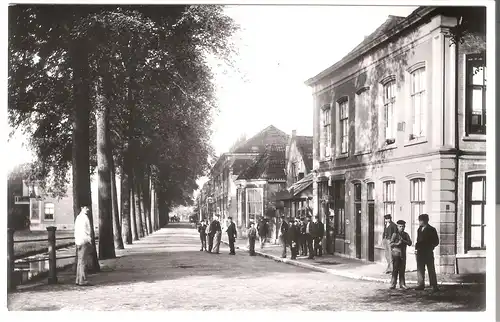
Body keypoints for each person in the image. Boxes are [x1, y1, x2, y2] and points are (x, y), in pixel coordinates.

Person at [415, 213, 440, 292]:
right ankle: (421, 284)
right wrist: (416, 248)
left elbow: (436, 241)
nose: (419, 222)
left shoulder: (432, 229)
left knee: (431, 269)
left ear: (425, 221)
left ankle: (434, 286)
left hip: (428, 252)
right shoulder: (419, 229)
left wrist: (431, 247)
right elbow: (418, 240)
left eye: (420, 221)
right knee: (420, 269)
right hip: (420, 252)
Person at [389, 220, 412, 290]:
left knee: (402, 270)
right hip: (396, 254)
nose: (402, 228)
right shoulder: (394, 234)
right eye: (400, 226)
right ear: (397, 226)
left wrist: (404, 241)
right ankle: (393, 284)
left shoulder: (406, 234)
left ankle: (402, 284)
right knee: (395, 269)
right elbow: (390, 244)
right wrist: (397, 244)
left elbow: (410, 243)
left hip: (403, 254)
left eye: (403, 226)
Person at [74, 206, 92, 286]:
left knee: (80, 261)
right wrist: (88, 239)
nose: (88, 209)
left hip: (78, 241)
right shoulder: (85, 218)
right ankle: (83, 280)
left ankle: (78, 279)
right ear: (81, 208)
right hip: (84, 240)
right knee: (83, 261)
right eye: (86, 207)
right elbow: (86, 230)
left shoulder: (78, 217)